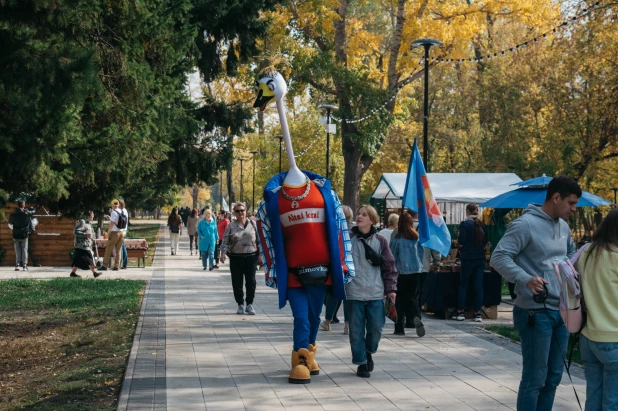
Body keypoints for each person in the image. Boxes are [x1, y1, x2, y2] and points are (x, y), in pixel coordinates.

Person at [491, 175, 581, 411]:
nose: (574, 208)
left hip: (562, 311)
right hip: (534, 312)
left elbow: (570, 258)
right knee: (535, 379)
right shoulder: (524, 225)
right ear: (556, 197)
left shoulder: (564, 226)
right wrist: (526, 278)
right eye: (571, 203)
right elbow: (498, 257)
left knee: (553, 377)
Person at [574, 209, 618, 411]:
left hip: (588, 336)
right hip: (613, 338)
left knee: (593, 397)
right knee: (612, 403)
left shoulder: (586, 252)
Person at [346, 205, 397, 378]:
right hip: (353, 292)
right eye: (358, 213)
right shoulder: (348, 239)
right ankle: (361, 363)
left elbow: (389, 267)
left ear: (372, 220)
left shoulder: (380, 241)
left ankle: (369, 350)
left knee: (376, 328)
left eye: (364, 214)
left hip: (375, 293)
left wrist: (391, 289)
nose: (359, 216)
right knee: (356, 330)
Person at [220, 202, 260, 315]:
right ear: (234, 213)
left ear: (245, 212)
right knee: (237, 282)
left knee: (251, 282)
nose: (240, 213)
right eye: (237, 211)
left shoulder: (253, 224)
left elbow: (259, 240)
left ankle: (250, 304)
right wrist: (223, 253)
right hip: (236, 258)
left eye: (242, 210)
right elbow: (225, 240)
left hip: (251, 257)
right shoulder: (231, 226)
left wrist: (261, 255)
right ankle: (240, 304)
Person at [389, 210, 425, 336]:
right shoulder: (416, 236)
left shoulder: (397, 235)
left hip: (400, 272)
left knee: (399, 300)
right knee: (412, 298)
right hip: (415, 272)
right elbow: (421, 254)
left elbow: (392, 254)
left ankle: (399, 328)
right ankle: (416, 317)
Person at [453, 204, 489, 322]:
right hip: (480, 258)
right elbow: (485, 242)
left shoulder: (464, 224)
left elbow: (461, 240)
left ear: (468, 211)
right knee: (479, 286)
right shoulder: (483, 225)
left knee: (463, 285)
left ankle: (460, 312)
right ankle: (478, 313)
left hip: (468, 258)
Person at [70, 212, 101, 278]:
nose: (93, 217)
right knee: (89, 258)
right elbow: (75, 231)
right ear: (88, 216)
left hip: (86, 245)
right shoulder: (82, 222)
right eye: (92, 216)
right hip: (82, 245)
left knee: (77, 260)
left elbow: (91, 234)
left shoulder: (89, 224)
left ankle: (73, 273)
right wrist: (84, 235)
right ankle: (94, 273)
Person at [100, 199, 127, 271]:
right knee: (118, 250)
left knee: (108, 248)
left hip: (115, 232)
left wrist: (108, 232)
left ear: (112, 205)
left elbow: (112, 224)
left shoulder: (114, 212)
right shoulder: (123, 211)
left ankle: (104, 266)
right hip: (121, 232)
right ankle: (116, 266)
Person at [8, 200, 33, 271]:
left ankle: (17, 265)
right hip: (24, 234)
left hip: (16, 234)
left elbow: (10, 224)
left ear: (17, 205)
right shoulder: (27, 213)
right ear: (24, 205)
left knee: (18, 250)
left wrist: (15, 229)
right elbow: (33, 212)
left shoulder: (13, 214)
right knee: (24, 250)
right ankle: (24, 266)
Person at [119, 199, 129, 269]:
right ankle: (124, 264)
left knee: (122, 247)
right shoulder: (123, 210)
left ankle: (124, 263)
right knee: (122, 247)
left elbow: (121, 220)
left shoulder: (123, 211)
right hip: (123, 230)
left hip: (122, 231)